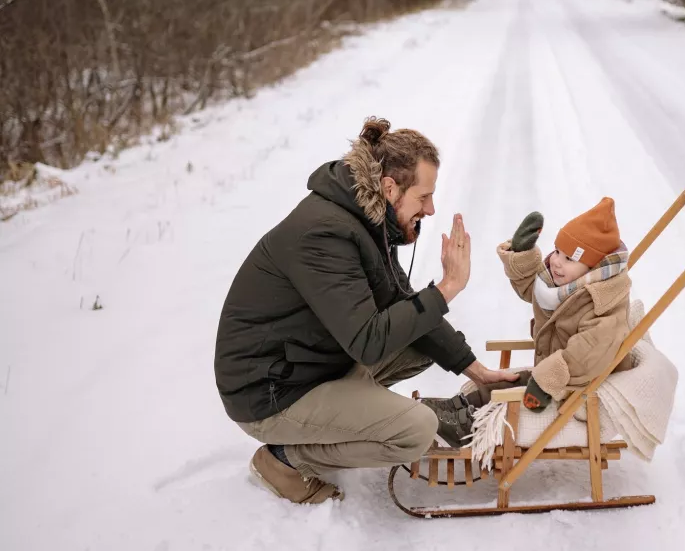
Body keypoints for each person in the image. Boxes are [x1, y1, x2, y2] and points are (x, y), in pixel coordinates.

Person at [213, 116, 518, 504]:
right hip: (269, 392)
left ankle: (352, 413)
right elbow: (367, 343)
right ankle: (282, 458)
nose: (431, 208)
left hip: (309, 364)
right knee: (415, 431)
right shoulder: (324, 233)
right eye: (423, 197)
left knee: (419, 340)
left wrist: (476, 370)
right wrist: (447, 288)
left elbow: (401, 303)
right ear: (390, 187)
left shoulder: (368, 218)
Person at [437, 198, 635, 441]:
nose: (557, 262)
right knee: (500, 387)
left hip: (574, 388)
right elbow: (535, 289)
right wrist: (522, 255)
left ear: (594, 267)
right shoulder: (569, 286)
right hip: (552, 377)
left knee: (507, 394)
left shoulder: (603, 304)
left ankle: (462, 424)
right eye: (558, 252)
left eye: (570, 259)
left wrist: (546, 381)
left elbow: (586, 355)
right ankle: (451, 412)